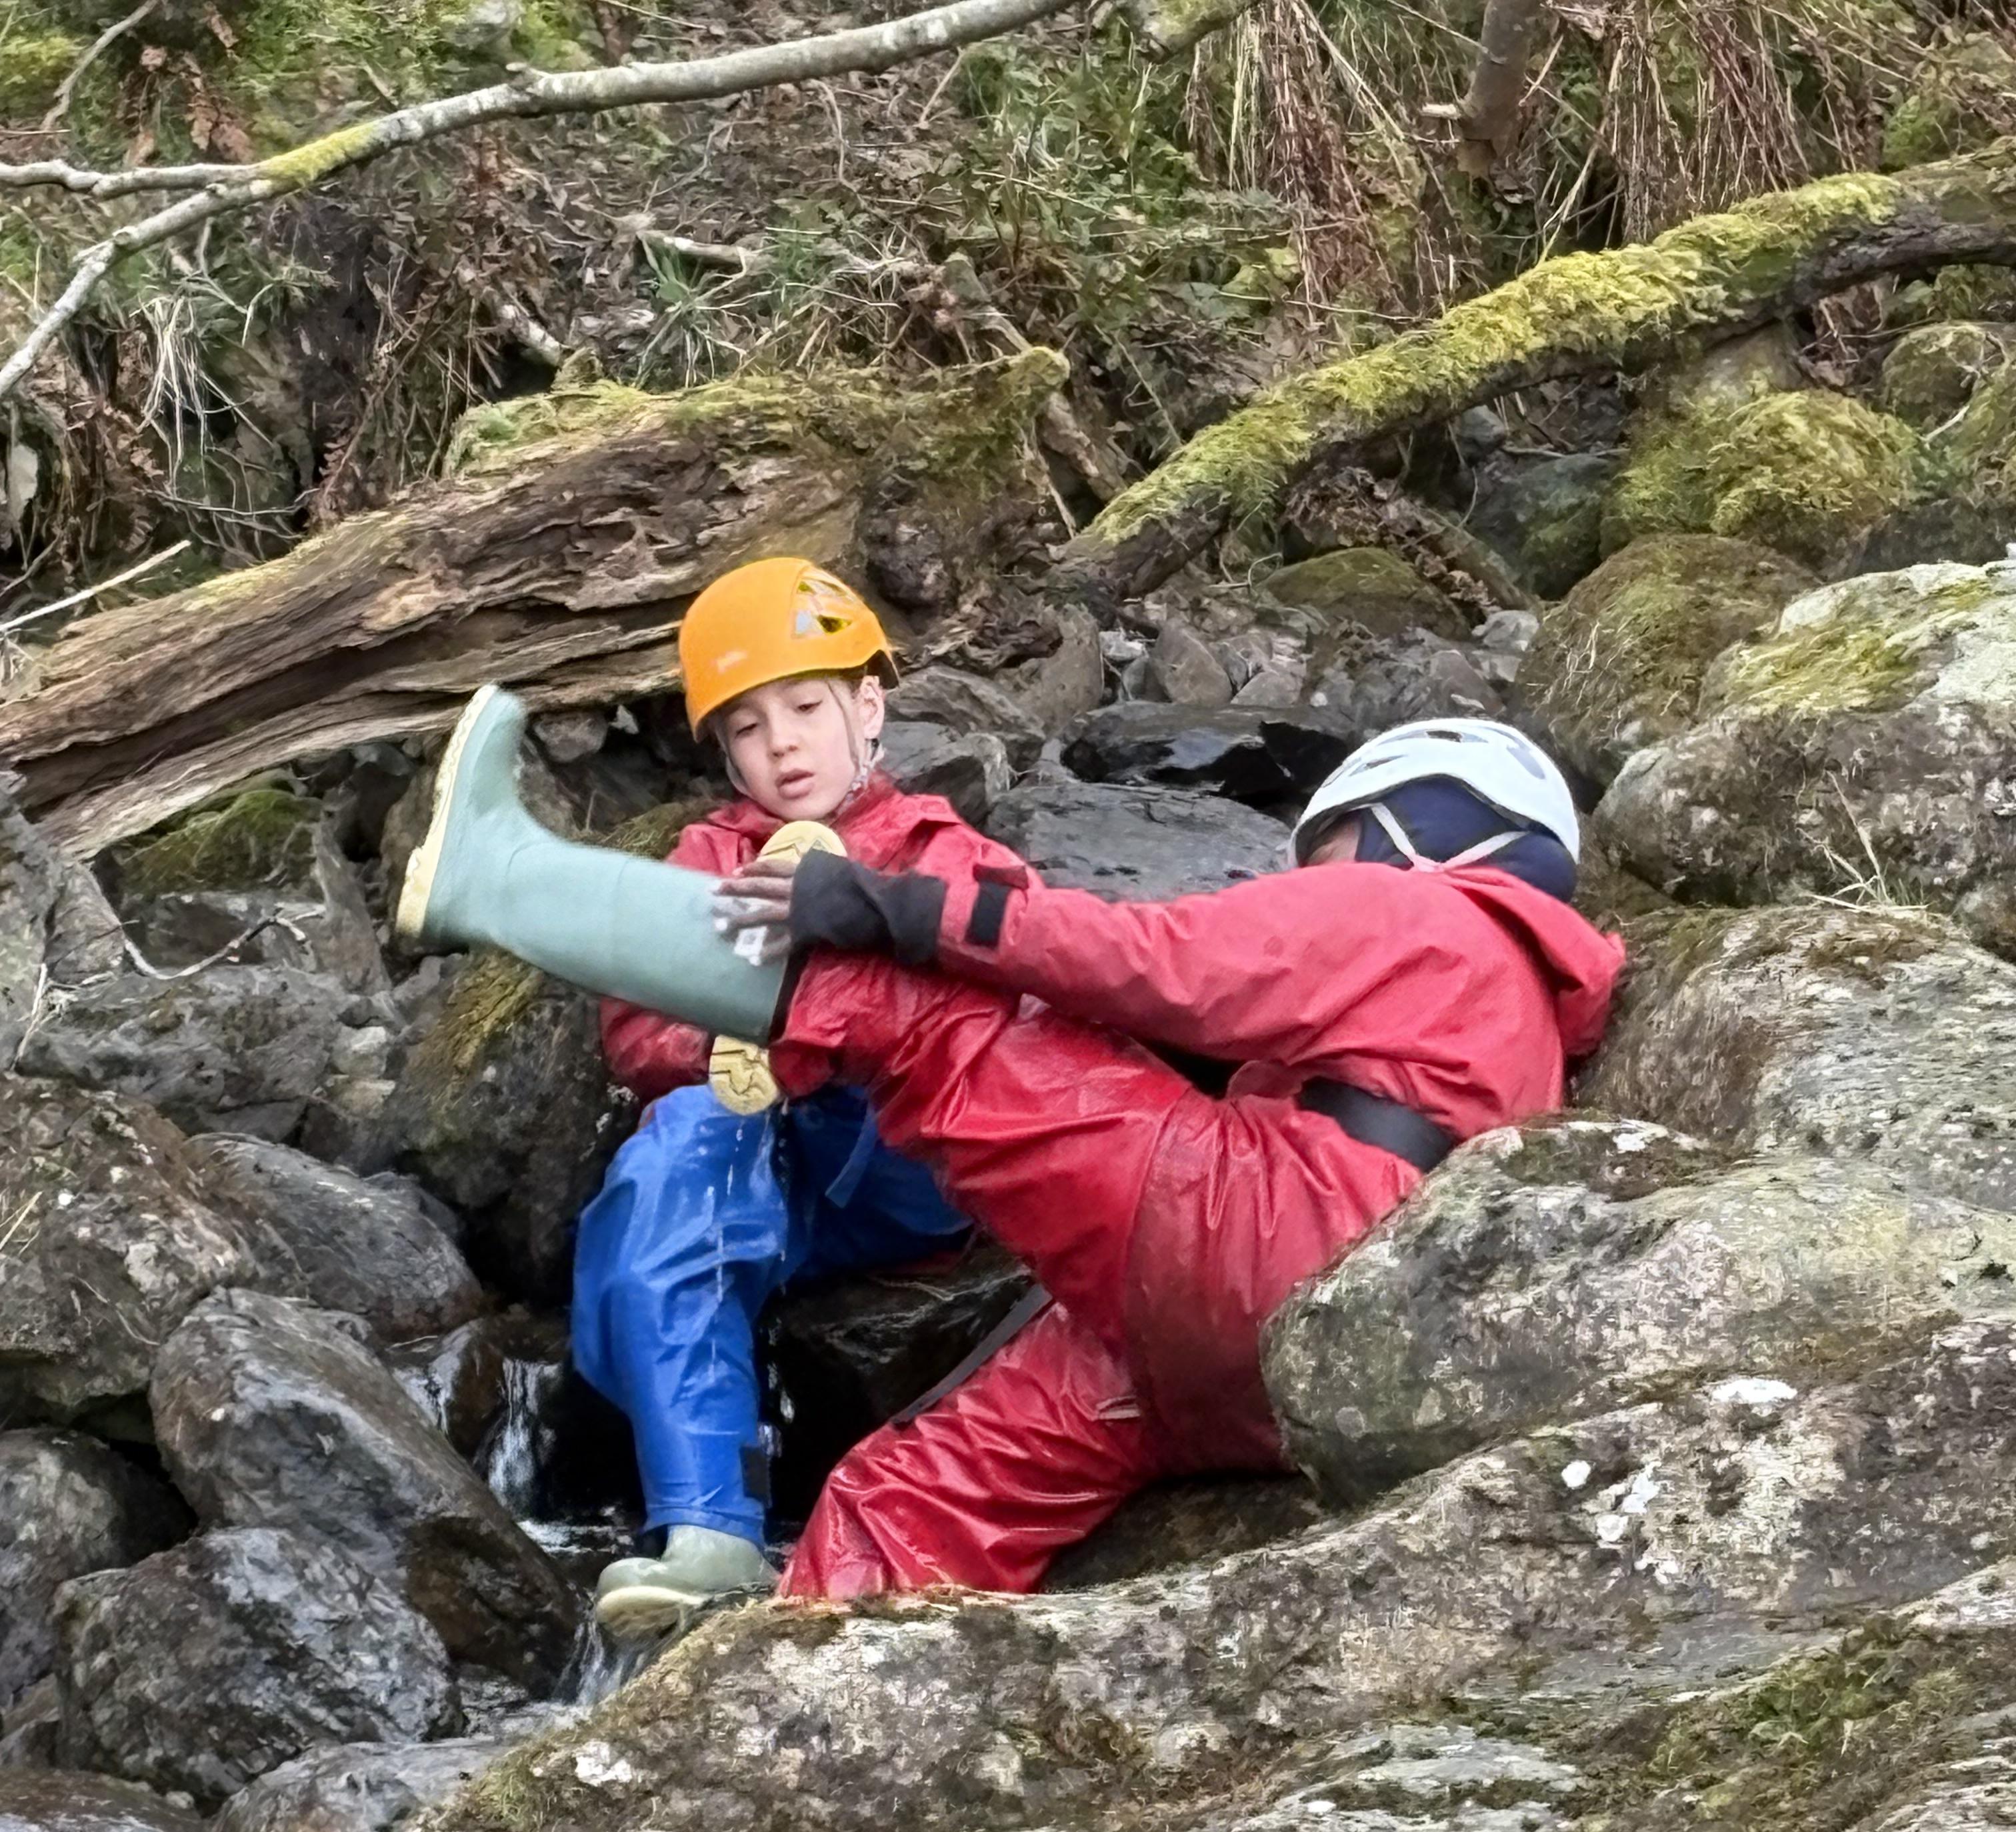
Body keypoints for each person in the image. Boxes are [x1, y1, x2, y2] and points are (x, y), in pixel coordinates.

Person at [399, 703, 1627, 1602]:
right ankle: (778, 1710)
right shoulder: (1529, 1027)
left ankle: (496, 878)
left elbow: (1154, 965)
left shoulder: (1416, 907)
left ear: (1422, 824)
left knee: (921, 1012)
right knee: (913, 1494)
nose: (1308, 882)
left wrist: (894, 910)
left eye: (1329, 850)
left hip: (1262, 1232)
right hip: (1289, 1377)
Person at [563, 557, 1041, 1635]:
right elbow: (636, 1031)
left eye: (805, 710)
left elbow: (1021, 1002)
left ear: (868, 709)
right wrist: (718, 1044)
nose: (781, 745)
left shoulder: (943, 852)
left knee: (834, 1071)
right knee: (683, 1142)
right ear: (725, 752)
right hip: (756, 1170)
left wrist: (838, 1016)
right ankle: (710, 1529)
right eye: (747, 727)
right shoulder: (703, 860)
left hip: (904, 1160)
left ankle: (798, 1041)